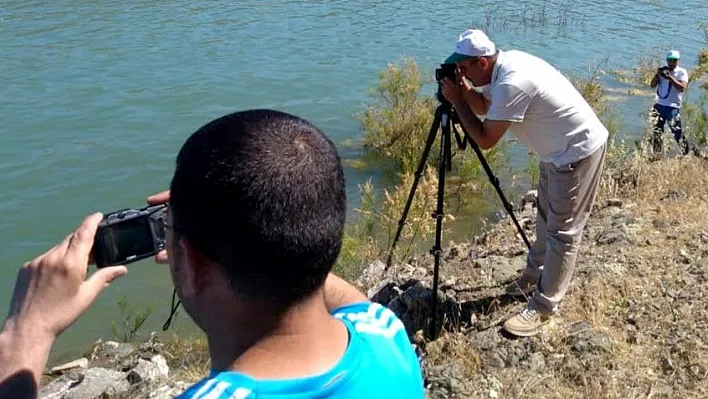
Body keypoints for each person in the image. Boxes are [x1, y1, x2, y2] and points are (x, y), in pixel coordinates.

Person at [0, 109, 425, 398]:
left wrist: (27, 333)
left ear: (192, 264)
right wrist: (250, 224)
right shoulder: (386, 335)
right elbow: (351, 300)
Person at [440, 29, 609, 337]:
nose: (460, 72)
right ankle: (533, 277)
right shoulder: (503, 67)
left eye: (464, 68)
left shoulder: (512, 81)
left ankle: (544, 307)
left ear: (482, 61)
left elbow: (485, 138)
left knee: (563, 232)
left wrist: (458, 102)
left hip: (576, 152)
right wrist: (465, 93)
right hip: (556, 152)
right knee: (544, 219)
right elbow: (484, 107)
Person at [649, 49, 691, 155]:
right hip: (659, 105)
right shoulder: (663, 71)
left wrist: (670, 78)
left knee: (677, 132)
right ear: (667, 60)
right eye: (670, 60)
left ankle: (686, 153)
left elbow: (682, 87)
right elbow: (652, 85)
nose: (672, 62)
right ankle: (657, 155)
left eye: (674, 60)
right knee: (657, 131)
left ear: (678, 60)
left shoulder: (682, 72)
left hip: (672, 107)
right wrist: (657, 75)